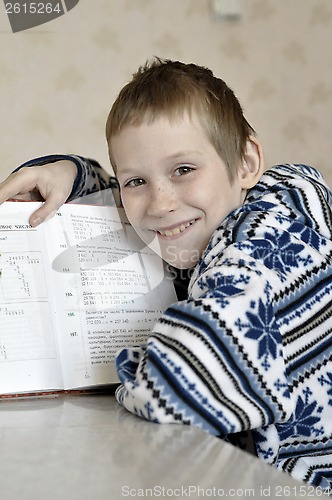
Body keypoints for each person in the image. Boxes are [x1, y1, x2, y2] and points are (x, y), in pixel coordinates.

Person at [1, 58, 332, 489]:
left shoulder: (269, 239)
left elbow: (184, 384)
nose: (159, 204)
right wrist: (70, 171)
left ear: (247, 162)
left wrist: (122, 367)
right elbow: (116, 195)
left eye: (183, 170)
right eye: (136, 182)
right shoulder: (218, 227)